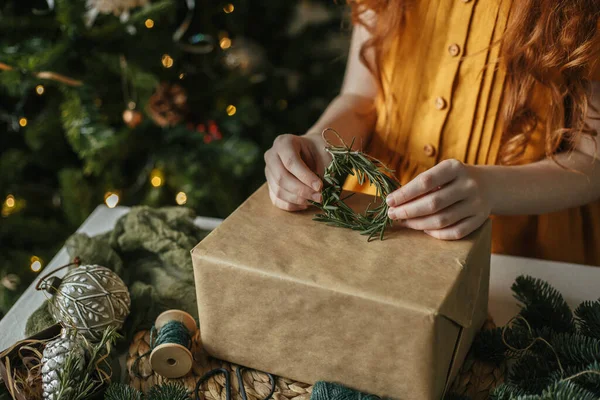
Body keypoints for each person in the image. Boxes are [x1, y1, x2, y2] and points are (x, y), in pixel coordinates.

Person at [264, 0, 600, 266]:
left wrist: (490, 189)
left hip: (518, 248)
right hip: (381, 220)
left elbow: (591, 161)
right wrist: (317, 140)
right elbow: (360, 98)